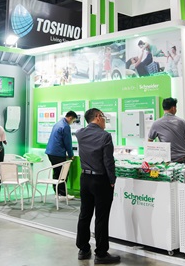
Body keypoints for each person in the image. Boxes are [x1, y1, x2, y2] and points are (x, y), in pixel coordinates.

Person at [76, 109, 120, 264]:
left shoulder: (80, 133)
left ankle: (83, 249)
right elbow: (108, 161)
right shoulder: (105, 136)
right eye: (104, 117)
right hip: (101, 180)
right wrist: (112, 179)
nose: (105, 120)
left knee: (85, 214)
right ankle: (101, 253)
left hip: (85, 178)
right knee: (101, 217)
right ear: (97, 117)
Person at [45, 111, 77, 200]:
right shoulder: (65, 126)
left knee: (56, 172)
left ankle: (57, 193)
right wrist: (71, 154)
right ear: (70, 118)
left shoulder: (58, 123)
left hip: (50, 152)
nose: (72, 122)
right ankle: (62, 194)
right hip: (57, 153)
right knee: (63, 173)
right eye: (73, 121)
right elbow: (68, 142)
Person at [148, 98, 185, 164]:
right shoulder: (181, 122)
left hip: (168, 162)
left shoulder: (156, 123)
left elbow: (149, 142)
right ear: (173, 108)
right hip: (183, 159)